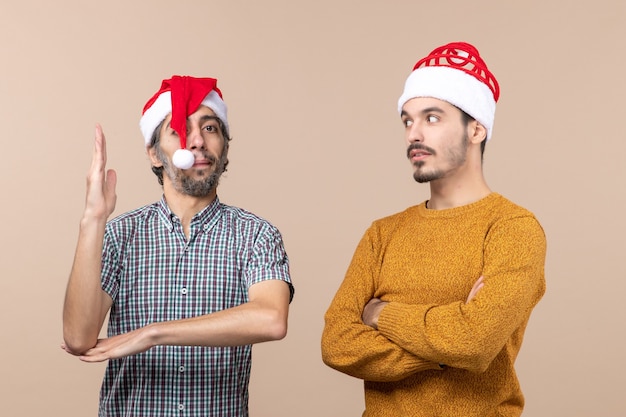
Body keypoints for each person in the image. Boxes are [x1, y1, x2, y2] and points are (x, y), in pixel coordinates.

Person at [321, 42, 546, 416]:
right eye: (408, 120)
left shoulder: (513, 229)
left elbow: (475, 342)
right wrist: (447, 344)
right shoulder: (382, 233)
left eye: (432, 118)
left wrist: (380, 315)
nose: (413, 134)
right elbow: (337, 344)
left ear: (476, 130)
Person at [62, 75, 294, 417]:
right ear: (155, 154)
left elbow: (272, 318)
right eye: (179, 130)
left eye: (210, 127)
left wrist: (155, 333)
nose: (196, 141)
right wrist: (93, 219)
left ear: (225, 147)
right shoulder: (120, 234)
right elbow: (78, 338)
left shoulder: (256, 235)